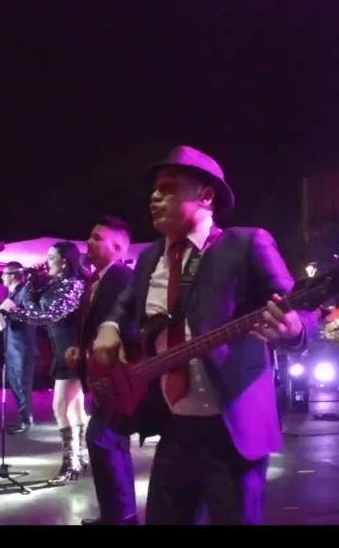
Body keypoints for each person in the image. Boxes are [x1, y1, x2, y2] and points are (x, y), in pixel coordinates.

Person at [91, 146, 316, 525]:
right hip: (173, 428)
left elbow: (302, 308)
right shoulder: (149, 259)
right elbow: (124, 306)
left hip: (233, 433)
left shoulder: (246, 244)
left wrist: (294, 329)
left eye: (168, 188)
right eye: (154, 190)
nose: (154, 197)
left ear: (206, 196)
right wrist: (109, 329)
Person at [65, 216, 136, 524]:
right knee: (111, 443)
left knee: (102, 439)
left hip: (117, 378)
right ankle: (119, 514)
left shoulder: (122, 278)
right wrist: (80, 353)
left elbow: (126, 326)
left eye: (97, 237)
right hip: (100, 376)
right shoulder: (97, 279)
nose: (88, 241)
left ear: (117, 247)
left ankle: (119, 516)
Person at [0, 242, 88, 484]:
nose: (46, 261)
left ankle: (71, 464)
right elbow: (34, 306)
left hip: (71, 350)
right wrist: (31, 281)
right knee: (75, 406)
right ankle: (79, 457)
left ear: (65, 261)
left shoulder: (74, 284)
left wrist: (13, 311)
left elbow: (49, 316)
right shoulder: (55, 283)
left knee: (60, 406)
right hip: (63, 349)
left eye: (51, 257)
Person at [0, 262, 37, 433]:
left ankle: (25, 420)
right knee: (14, 383)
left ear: (13, 275)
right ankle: (23, 417)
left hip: (23, 346)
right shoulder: (12, 292)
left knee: (22, 384)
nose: (1, 277)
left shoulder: (24, 291)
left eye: (4, 274)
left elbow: (32, 315)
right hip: (12, 345)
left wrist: (12, 310)